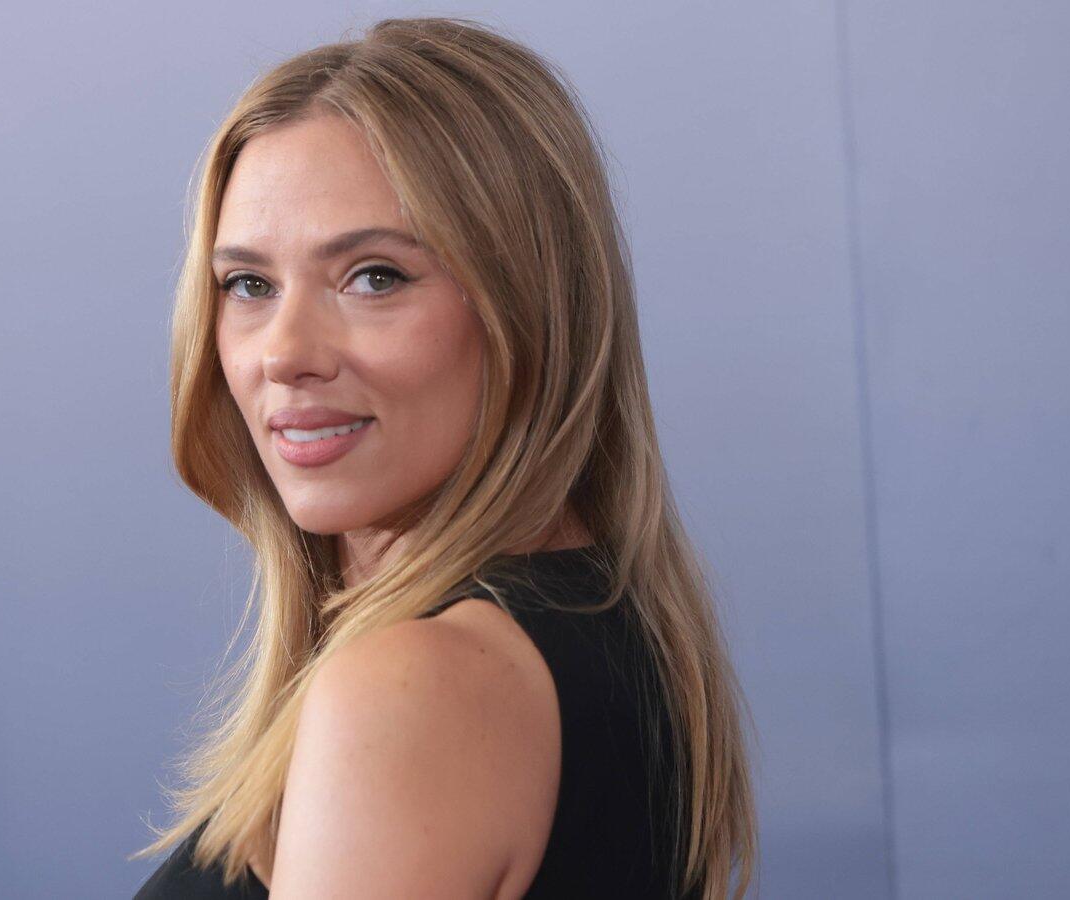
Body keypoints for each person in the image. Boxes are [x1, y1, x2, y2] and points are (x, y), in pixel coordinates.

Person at [131, 15, 755, 899]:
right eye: (249, 284)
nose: (283, 352)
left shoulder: (421, 687)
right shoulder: (611, 636)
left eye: (374, 276)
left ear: (526, 306)